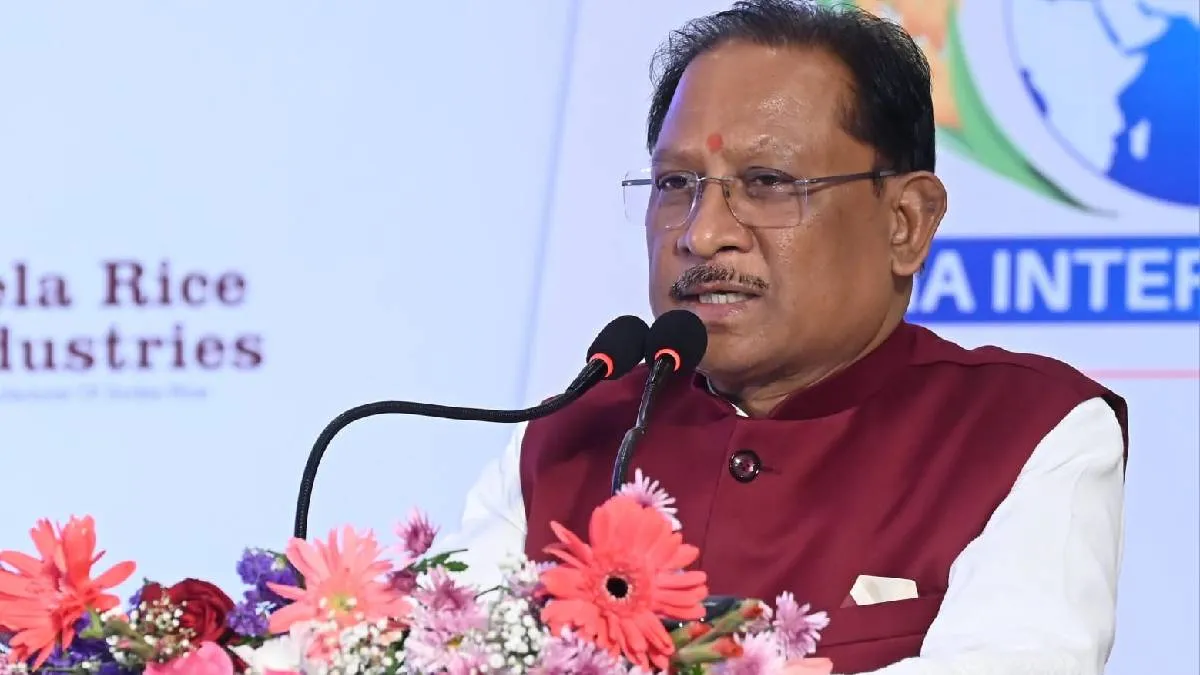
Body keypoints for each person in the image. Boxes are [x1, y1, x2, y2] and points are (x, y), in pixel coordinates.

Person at [445, 2, 1127, 673]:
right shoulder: (568, 436)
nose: (702, 233)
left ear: (906, 222)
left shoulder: (1023, 431)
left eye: (767, 183)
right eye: (676, 183)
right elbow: (442, 647)